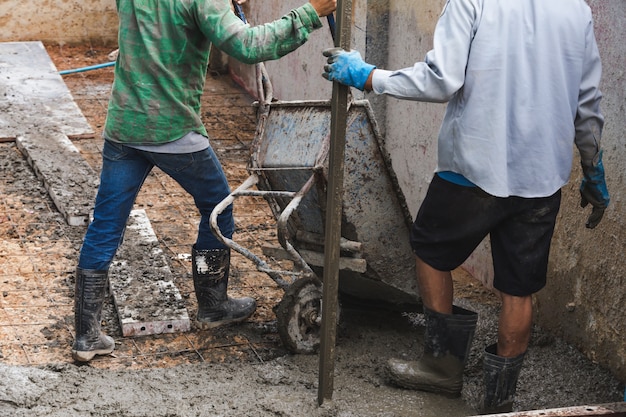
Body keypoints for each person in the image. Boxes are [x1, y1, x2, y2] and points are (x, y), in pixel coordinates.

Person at [322, 0, 609, 413]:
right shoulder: (576, 10)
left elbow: (442, 80)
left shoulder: (472, 2)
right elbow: (587, 101)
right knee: (519, 287)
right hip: (541, 175)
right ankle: (500, 400)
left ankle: (442, 367)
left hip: (474, 166)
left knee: (430, 249)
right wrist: (592, 166)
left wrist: (369, 76)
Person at [72, 0, 336, 363]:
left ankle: (86, 336)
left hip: (125, 126)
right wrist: (310, 12)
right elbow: (249, 46)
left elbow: (162, 28)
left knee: (105, 225)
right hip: (172, 130)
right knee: (218, 208)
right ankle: (213, 306)